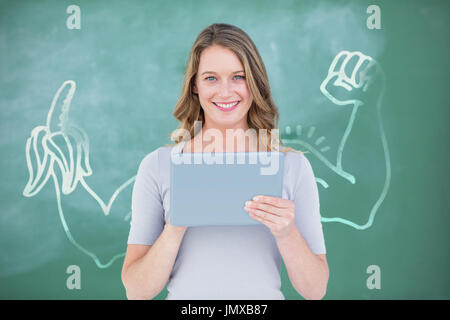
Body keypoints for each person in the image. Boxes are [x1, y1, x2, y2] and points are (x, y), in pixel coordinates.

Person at [121, 23, 329, 300]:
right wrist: (175, 227)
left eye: (238, 77)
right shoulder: (159, 166)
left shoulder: (291, 167)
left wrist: (287, 233)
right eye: (210, 78)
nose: (225, 92)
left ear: (254, 83)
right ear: (194, 85)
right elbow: (137, 291)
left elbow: (315, 291)